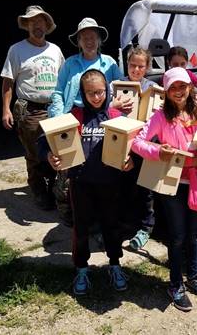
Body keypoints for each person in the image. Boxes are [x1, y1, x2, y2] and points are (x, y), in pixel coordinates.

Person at [131, 67, 197, 312]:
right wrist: (158, 151)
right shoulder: (160, 117)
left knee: (194, 233)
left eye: (182, 86)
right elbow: (137, 142)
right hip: (173, 183)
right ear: (167, 92)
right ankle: (176, 284)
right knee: (177, 236)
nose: (179, 92)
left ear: (189, 88)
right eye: (173, 88)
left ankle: (195, 275)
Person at [46, 69, 132, 295]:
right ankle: (82, 269)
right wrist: (51, 156)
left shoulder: (115, 115)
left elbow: (134, 143)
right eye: (90, 93)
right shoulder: (74, 115)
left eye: (100, 92)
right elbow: (46, 140)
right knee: (80, 228)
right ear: (82, 93)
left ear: (107, 90)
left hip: (110, 183)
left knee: (112, 225)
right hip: (80, 182)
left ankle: (115, 264)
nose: (96, 97)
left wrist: (131, 160)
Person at [0, 5, 64, 210]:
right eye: (33, 22)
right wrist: (6, 109)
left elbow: (63, 80)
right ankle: (38, 190)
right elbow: (8, 82)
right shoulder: (17, 50)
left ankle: (54, 187)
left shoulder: (55, 50)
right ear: (27, 25)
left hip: (55, 108)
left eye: (41, 22)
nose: (38, 26)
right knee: (35, 153)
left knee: (56, 151)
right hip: (30, 110)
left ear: (47, 25)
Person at [113, 47, 159, 250]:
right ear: (127, 65)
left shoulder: (153, 88)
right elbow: (106, 113)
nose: (136, 69)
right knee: (121, 187)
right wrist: (113, 106)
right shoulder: (116, 86)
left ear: (147, 67)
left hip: (145, 146)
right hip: (123, 145)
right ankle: (123, 225)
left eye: (141, 66)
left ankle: (146, 227)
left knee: (145, 189)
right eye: (133, 65)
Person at [48, 17, 123, 117]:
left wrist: (112, 106)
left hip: (103, 114)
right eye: (85, 38)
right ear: (79, 42)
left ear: (99, 40)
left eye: (92, 37)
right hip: (74, 114)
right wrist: (59, 117)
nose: (89, 41)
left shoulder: (110, 62)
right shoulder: (69, 63)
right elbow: (58, 92)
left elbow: (121, 87)